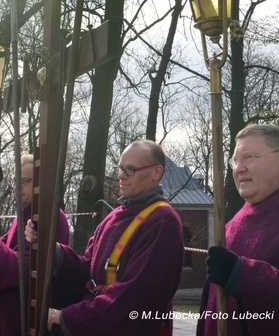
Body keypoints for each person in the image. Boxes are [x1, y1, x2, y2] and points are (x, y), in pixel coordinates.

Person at [25, 140, 184, 336]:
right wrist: (51, 248)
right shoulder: (115, 216)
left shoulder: (163, 223)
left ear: (156, 173)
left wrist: (67, 318)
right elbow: (88, 271)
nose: (120, 176)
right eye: (120, 168)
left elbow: (134, 301)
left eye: (130, 170)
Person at [197, 123, 279, 336]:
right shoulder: (231, 224)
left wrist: (241, 275)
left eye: (250, 157)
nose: (239, 168)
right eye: (236, 160)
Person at [0, 154, 70, 336]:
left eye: (25, 181)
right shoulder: (22, 213)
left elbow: (35, 267)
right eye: (16, 181)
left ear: (39, 183)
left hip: (29, 313)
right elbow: (8, 244)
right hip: (9, 311)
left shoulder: (49, 215)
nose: (18, 186)